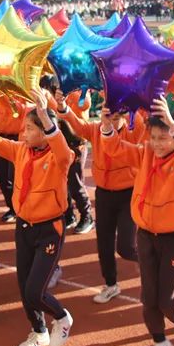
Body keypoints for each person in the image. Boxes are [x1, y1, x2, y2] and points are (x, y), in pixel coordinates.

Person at [101, 99, 174, 346]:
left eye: (164, 137)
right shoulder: (146, 152)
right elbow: (115, 149)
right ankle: (160, 342)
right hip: (146, 234)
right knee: (148, 298)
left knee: (168, 299)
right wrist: (107, 126)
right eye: (154, 137)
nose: (157, 143)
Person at [0, 87, 75, 346]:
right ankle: (39, 331)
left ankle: (62, 317)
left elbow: (66, 153)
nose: (24, 133)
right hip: (24, 228)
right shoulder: (21, 150)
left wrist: (44, 115)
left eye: (30, 128)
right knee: (24, 287)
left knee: (35, 290)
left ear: (44, 131)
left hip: (49, 230)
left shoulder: (58, 157)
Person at [56, 91, 143, 304]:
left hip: (128, 194)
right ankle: (111, 284)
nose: (113, 117)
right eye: (109, 113)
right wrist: (62, 107)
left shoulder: (135, 129)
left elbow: (141, 118)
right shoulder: (97, 129)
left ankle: (149, 262)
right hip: (104, 194)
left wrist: (130, 103)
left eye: (118, 114)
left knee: (126, 246)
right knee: (103, 243)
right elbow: (77, 126)